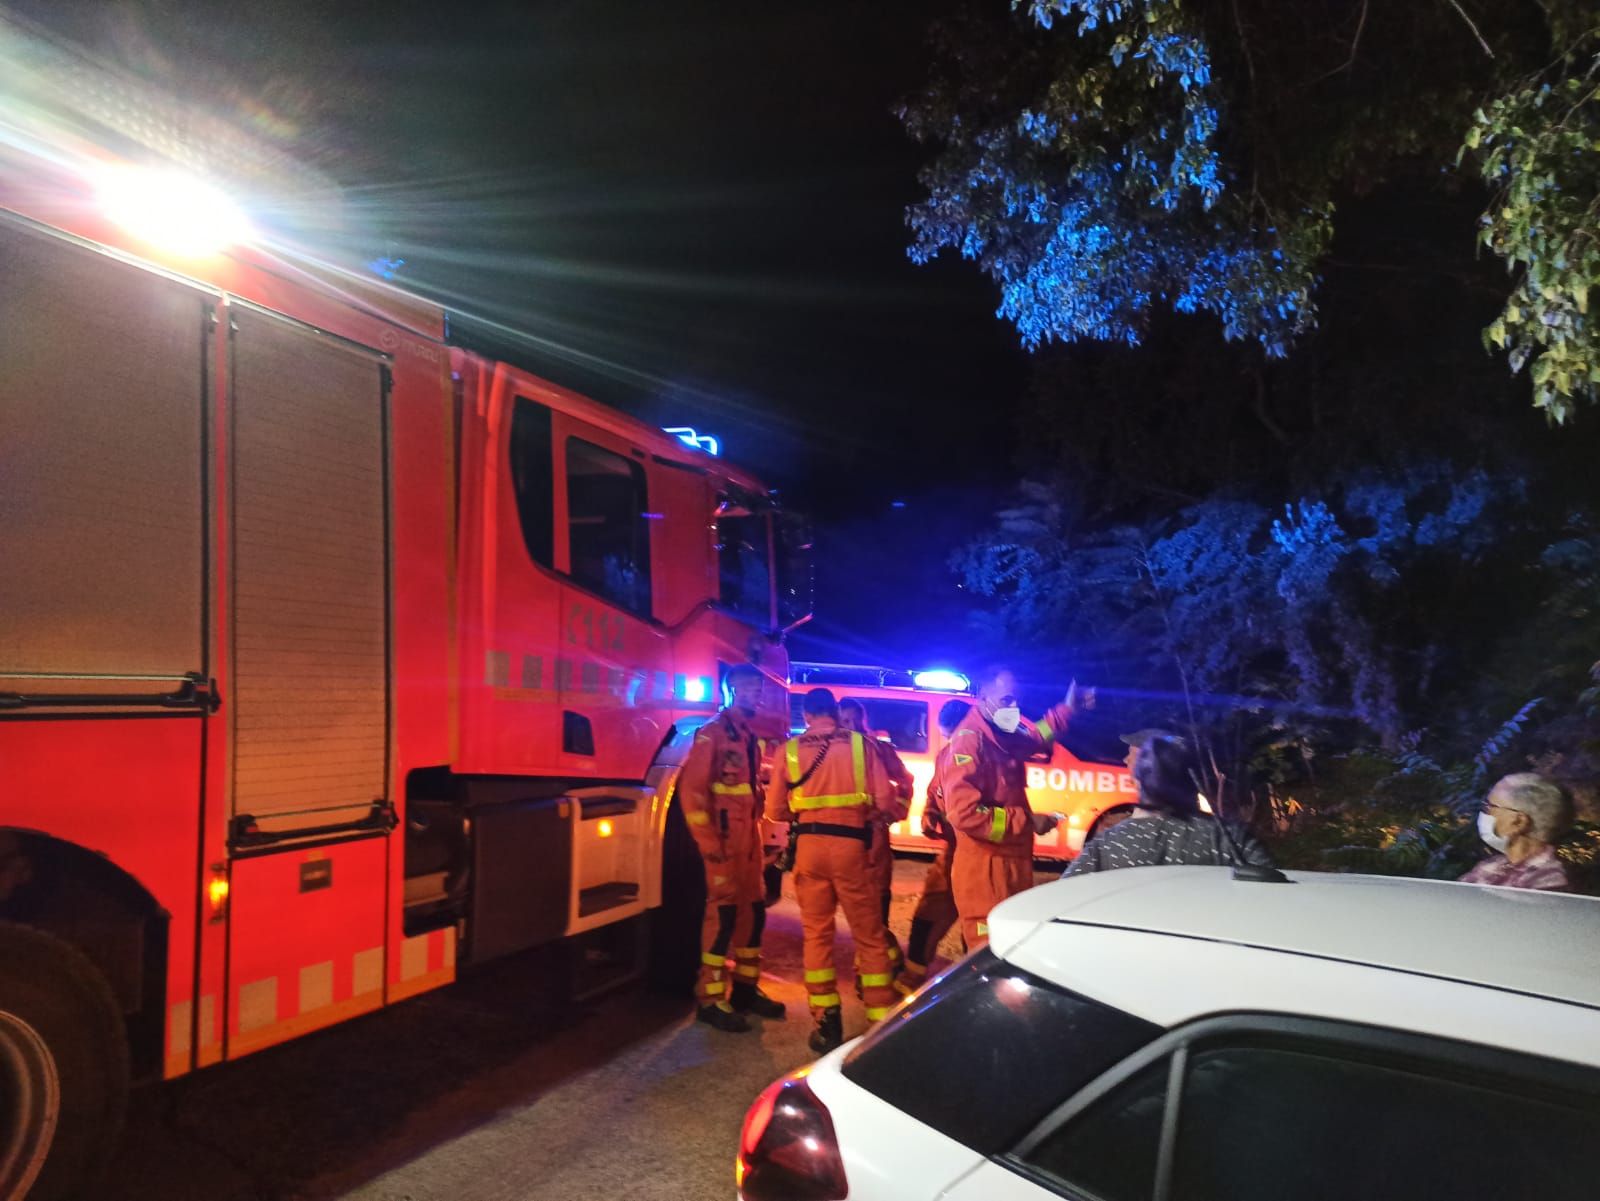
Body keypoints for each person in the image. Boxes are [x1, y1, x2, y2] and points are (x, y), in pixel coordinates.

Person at [765, 687, 900, 1054]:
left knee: (817, 935)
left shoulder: (789, 750)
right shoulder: (860, 745)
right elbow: (886, 801)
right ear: (836, 714)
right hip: (852, 848)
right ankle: (879, 1022)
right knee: (869, 936)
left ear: (807, 715)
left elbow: (776, 810)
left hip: (809, 848)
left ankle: (827, 1022)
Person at [942, 666, 1088, 949]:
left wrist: (1066, 710)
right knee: (988, 957)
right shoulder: (970, 742)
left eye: (1017, 701)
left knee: (1012, 951)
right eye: (1007, 700)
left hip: (1009, 865)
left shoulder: (999, 733)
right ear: (983, 696)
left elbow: (1034, 736)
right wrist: (1028, 822)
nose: (1014, 707)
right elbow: (963, 813)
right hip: (985, 870)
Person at [678, 662, 787, 1032]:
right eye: (748, 690)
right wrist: (710, 845)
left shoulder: (746, 735)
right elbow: (692, 794)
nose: (755, 695)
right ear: (730, 692)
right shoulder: (713, 735)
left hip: (748, 844)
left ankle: (744, 990)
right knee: (722, 918)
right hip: (723, 844)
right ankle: (709, 997)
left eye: (758, 690)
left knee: (752, 915)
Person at [1064, 734, 1273, 876]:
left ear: (1140, 777)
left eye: (1133, 754)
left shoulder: (1109, 846)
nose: (1125, 759)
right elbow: (1274, 892)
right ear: (1191, 779)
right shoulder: (1228, 839)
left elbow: (1066, 897)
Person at [899, 698, 972, 993]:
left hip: (981, 856)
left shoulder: (988, 757)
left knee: (978, 925)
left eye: (953, 735)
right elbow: (934, 793)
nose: (951, 742)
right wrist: (930, 815)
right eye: (947, 736)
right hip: (954, 852)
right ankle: (913, 977)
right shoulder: (945, 756)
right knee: (928, 913)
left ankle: (975, 989)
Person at [838, 698, 913, 976]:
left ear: (863, 720)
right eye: (845, 721)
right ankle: (880, 964)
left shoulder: (880, 749)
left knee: (876, 908)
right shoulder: (833, 751)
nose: (852, 726)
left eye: (856, 720)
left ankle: (872, 969)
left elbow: (906, 781)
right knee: (859, 912)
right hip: (845, 839)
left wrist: (896, 813)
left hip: (875, 839)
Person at [1460, 772, 1575, 892]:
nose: (1485, 813)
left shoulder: (1549, 881)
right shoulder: (1492, 865)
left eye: (1490, 807)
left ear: (1519, 822)